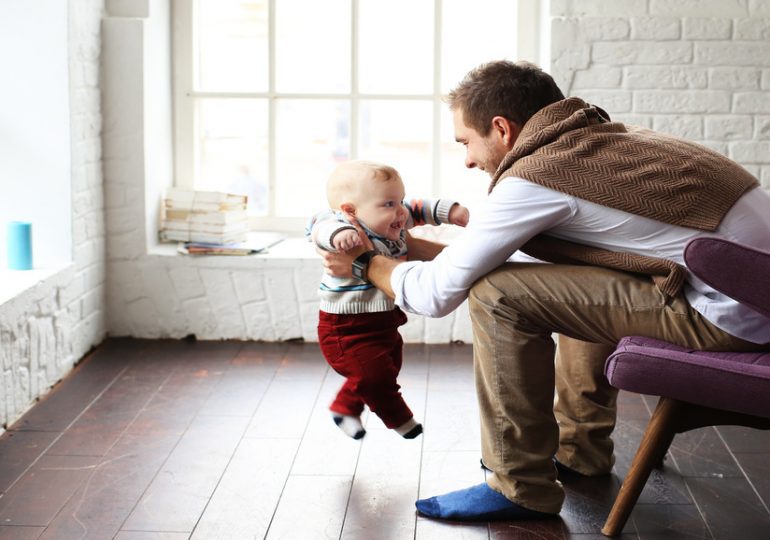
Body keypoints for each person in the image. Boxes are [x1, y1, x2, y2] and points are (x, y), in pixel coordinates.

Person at [319, 60, 770, 521]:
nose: (468, 160)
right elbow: (535, 264)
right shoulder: (608, 142)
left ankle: (519, 485)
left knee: (498, 296)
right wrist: (418, 248)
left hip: (734, 314)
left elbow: (434, 296)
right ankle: (580, 453)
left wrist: (364, 262)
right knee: (560, 276)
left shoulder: (538, 175)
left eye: (467, 142)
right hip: (751, 297)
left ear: (501, 129)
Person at [307, 159, 470, 440]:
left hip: (383, 319)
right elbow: (317, 227)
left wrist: (448, 210)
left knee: (386, 367)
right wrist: (340, 235)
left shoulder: (389, 220)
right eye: (389, 204)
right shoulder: (345, 224)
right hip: (345, 326)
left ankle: (344, 407)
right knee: (374, 376)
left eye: (400, 200)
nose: (400, 211)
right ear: (350, 210)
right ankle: (399, 418)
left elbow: (419, 209)